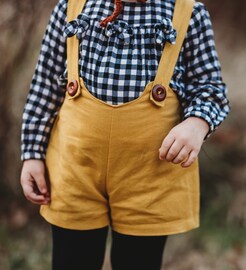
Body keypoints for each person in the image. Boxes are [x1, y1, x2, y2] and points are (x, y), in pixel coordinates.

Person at [20, 0, 230, 269]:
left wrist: (196, 123)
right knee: (72, 260)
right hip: (75, 172)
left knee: (138, 261)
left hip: (149, 177)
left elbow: (210, 88)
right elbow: (44, 87)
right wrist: (32, 154)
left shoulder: (187, 13)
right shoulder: (72, 8)